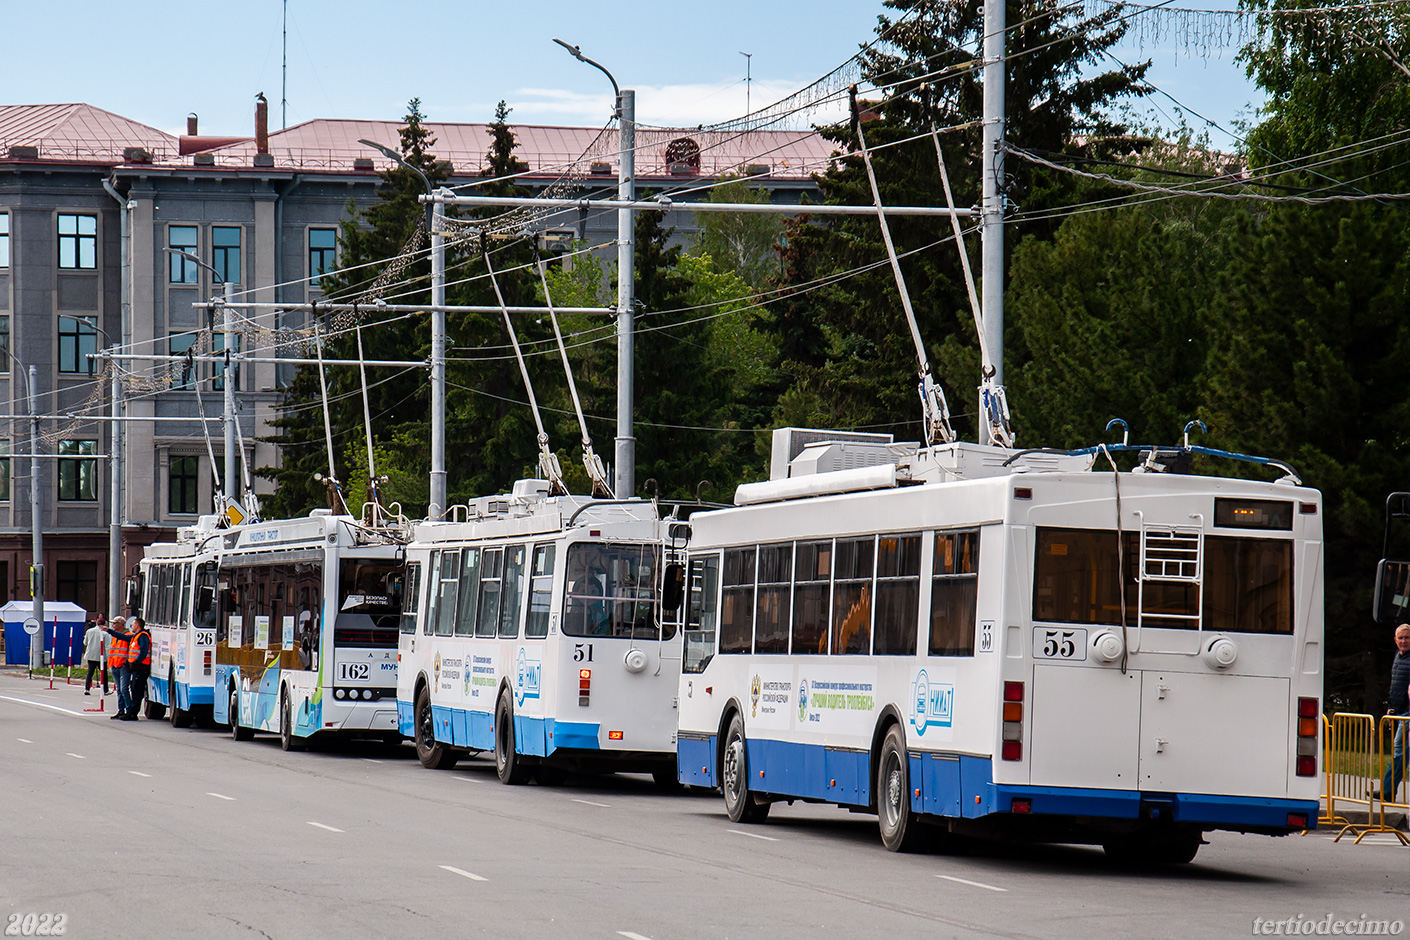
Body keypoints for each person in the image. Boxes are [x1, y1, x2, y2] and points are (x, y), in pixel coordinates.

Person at [1381, 623, 1410, 802]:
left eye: (1407, 637)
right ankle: (1388, 789)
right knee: (1401, 751)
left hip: (1408, 713)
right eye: (1401, 638)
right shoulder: (1398, 657)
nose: (1404, 641)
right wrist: (1391, 707)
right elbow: (1395, 685)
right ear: (1395, 640)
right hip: (1399, 711)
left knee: (1399, 751)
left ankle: (1388, 790)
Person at [102, 617, 131, 720]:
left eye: (115, 623)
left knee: (124, 689)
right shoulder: (115, 637)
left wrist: (126, 662)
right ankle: (120, 710)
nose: (113, 625)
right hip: (114, 664)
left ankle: (129, 710)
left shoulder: (128, 635)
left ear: (121, 624)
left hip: (123, 665)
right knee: (119, 689)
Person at [124, 617, 152, 721]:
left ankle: (133, 713)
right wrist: (109, 631)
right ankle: (131, 712)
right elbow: (123, 637)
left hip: (141, 668)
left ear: (138, 625)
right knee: (134, 689)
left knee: (137, 690)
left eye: (133, 624)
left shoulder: (143, 636)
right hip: (137, 668)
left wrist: (136, 662)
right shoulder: (136, 636)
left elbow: (143, 651)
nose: (132, 626)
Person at [81, 617, 109, 695]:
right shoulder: (105, 633)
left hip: (91, 655)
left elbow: (85, 643)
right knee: (104, 673)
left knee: (90, 672)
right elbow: (107, 646)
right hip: (101, 656)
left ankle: (87, 688)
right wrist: (108, 657)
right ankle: (105, 690)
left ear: (96, 623)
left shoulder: (89, 631)